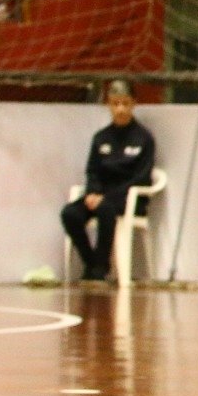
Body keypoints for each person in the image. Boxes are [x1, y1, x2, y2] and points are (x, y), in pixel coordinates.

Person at [60, 80, 156, 282]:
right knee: (70, 213)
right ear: (108, 105)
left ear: (134, 104)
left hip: (126, 198)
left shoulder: (144, 138)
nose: (120, 109)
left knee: (105, 209)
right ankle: (91, 261)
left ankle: (100, 268)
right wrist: (92, 192)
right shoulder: (101, 137)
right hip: (99, 195)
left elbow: (142, 177)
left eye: (125, 103)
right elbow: (92, 171)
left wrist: (108, 198)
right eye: (115, 103)